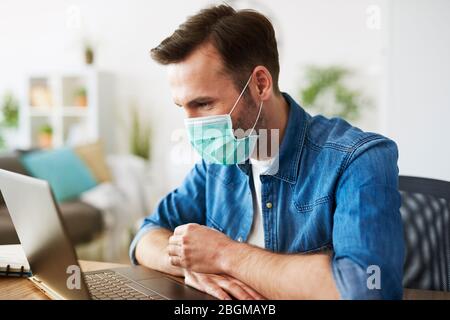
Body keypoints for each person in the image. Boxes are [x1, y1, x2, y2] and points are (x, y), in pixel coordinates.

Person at [129, 4, 404, 300]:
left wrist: (224, 254)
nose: (192, 125)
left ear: (260, 84)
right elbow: (147, 235)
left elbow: (368, 289)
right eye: (183, 107)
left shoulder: (357, 159)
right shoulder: (219, 160)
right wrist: (189, 267)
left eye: (204, 104)